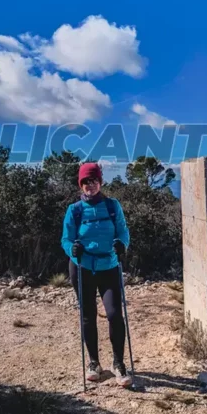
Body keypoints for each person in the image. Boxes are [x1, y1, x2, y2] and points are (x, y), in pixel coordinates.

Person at [61, 162, 132, 387]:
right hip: (82, 267)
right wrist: (72, 249)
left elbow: (123, 230)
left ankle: (118, 363)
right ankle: (93, 362)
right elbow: (66, 238)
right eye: (85, 182)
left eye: (93, 181)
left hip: (109, 266)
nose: (89, 185)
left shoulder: (112, 206)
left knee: (114, 315)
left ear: (100, 182)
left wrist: (122, 244)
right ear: (80, 185)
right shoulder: (75, 210)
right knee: (88, 315)